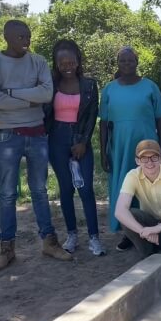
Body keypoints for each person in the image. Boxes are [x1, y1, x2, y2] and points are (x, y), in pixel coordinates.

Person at [0, 19, 71, 272]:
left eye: (28, 36)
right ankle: (6, 249)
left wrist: (9, 93)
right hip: (8, 136)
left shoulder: (38, 61)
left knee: (40, 190)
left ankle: (49, 242)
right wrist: (27, 98)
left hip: (38, 134)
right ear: (7, 36)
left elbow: (45, 95)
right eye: (21, 36)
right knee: (8, 193)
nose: (26, 41)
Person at [100, 46, 161, 250]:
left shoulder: (150, 87)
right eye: (123, 61)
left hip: (146, 144)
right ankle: (129, 233)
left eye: (131, 61)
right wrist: (104, 152)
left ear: (137, 62)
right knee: (124, 187)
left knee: (148, 186)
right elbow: (103, 123)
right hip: (120, 146)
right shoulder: (109, 89)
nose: (127, 64)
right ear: (118, 63)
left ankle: (153, 229)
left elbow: (160, 119)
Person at [43, 39, 104, 256]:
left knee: (86, 189)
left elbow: (91, 116)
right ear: (56, 64)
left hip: (81, 139)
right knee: (66, 189)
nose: (67, 67)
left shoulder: (89, 85)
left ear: (78, 62)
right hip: (57, 139)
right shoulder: (50, 84)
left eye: (71, 63)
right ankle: (72, 235)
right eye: (62, 63)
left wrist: (82, 142)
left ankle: (94, 238)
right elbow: (44, 113)